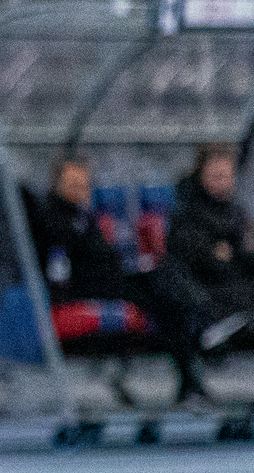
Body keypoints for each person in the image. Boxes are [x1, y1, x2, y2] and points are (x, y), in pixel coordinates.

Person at [36, 152, 210, 404]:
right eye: (73, 184)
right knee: (161, 298)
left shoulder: (83, 215)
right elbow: (61, 271)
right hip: (88, 288)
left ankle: (191, 367)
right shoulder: (54, 220)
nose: (80, 189)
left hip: (108, 280)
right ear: (58, 184)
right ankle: (191, 374)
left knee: (163, 288)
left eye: (83, 184)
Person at [163, 143, 254, 373]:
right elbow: (192, 261)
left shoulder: (236, 213)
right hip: (207, 301)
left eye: (226, 176)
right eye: (215, 175)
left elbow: (238, 257)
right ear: (201, 174)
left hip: (237, 296)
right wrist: (221, 253)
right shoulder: (187, 212)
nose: (221, 181)